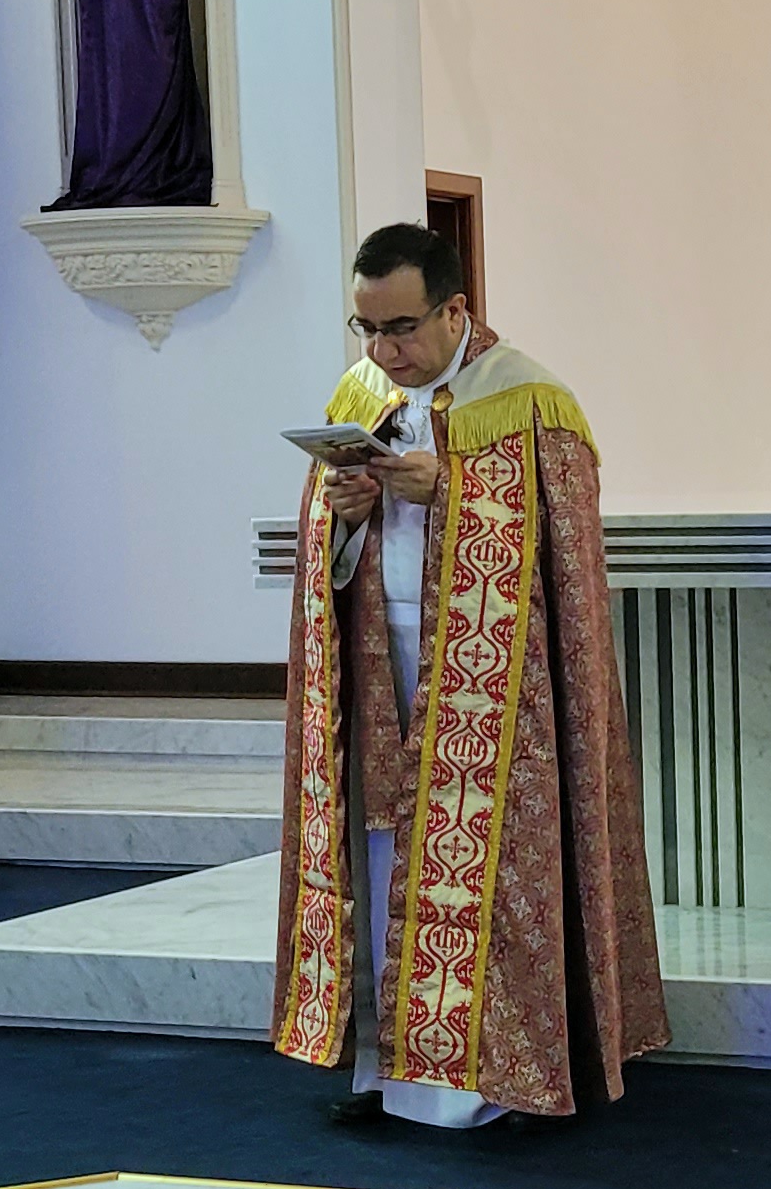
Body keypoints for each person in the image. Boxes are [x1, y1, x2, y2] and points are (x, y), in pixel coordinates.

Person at [273, 221, 667, 1131]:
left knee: (495, 877)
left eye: (402, 328)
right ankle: (390, 1075)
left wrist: (448, 491)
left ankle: (506, 1082)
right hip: (380, 667)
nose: (384, 351)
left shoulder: (528, 400)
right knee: (383, 861)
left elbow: (568, 555)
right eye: (367, 328)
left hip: (499, 689)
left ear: (456, 310)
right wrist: (349, 512)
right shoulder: (362, 395)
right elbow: (328, 551)